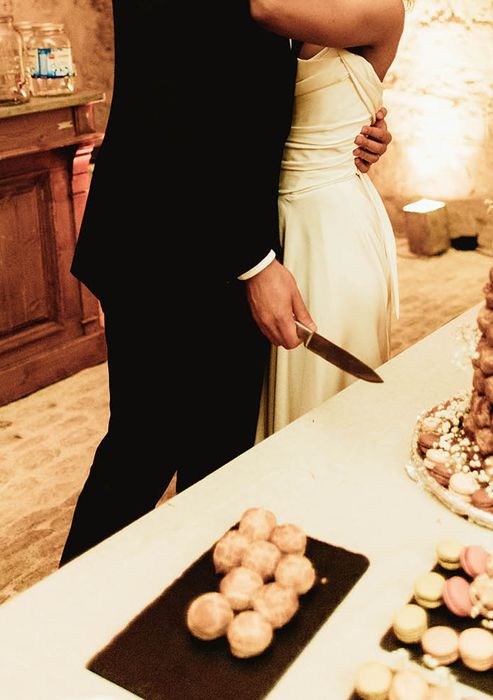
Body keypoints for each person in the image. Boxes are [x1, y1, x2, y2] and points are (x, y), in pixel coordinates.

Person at [59, 2, 392, 566]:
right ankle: (52, 630)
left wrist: (350, 125)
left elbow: (246, 93)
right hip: (165, 243)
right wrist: (255, 263)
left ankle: (195, 603)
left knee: (216, 457)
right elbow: (176, 104)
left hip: (220, 234)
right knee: (144, 449)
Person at [250, 0, 408, 437]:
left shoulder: (382, 9)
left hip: (331, 230)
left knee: (329, 404)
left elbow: (263, 9)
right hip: (280, 220)